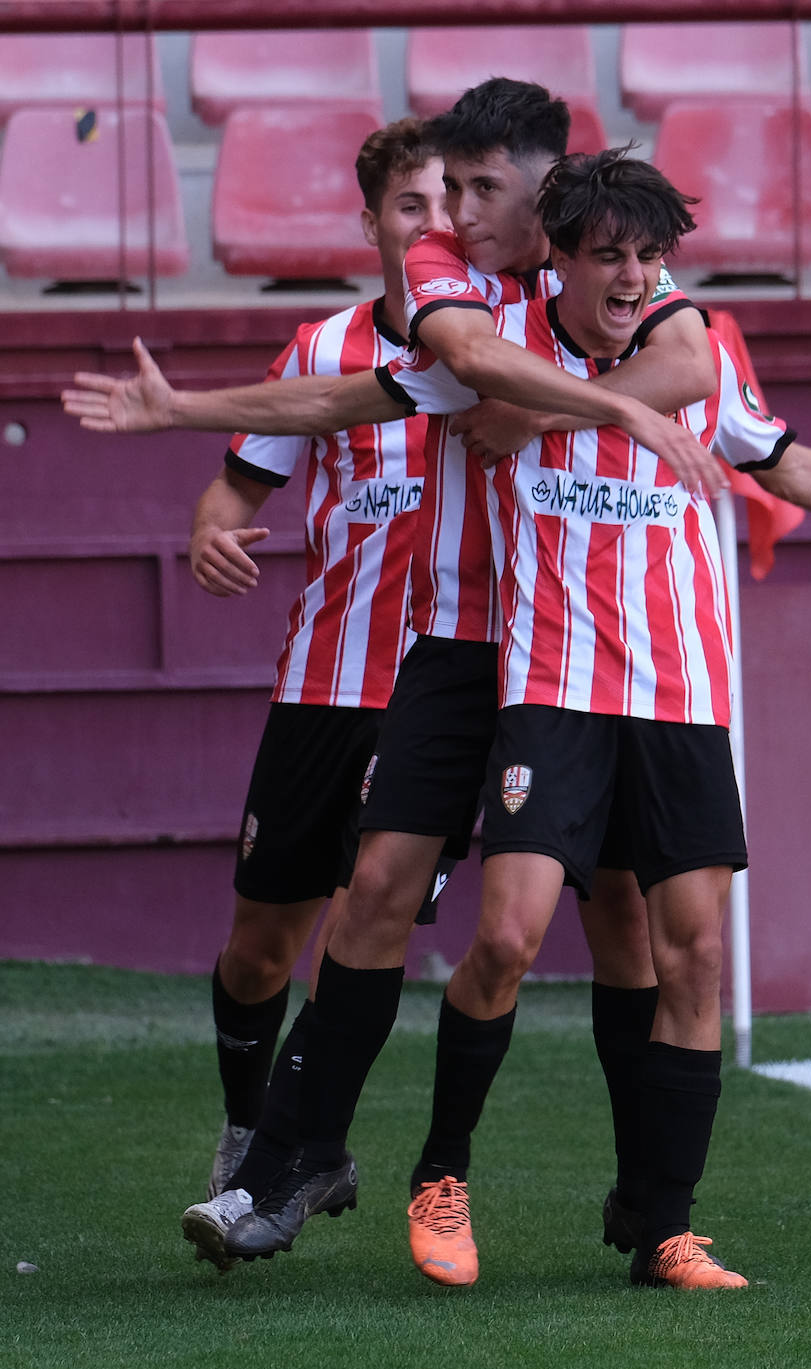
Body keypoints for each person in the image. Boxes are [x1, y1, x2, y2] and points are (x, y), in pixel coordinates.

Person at [346, 148, 811, 1292]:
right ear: (557, 257)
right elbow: (370, 391)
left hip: (681, 695)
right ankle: (441, 1173)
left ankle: (661, 1223)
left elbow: (785, 461)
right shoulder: (501, 354)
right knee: (508, 938)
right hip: (551, 685)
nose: (631, 276)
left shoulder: (690, 353)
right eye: (608, 255)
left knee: (695, 955)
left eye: (650, 257)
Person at [65, 82, 720, 1269]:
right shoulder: (443, 270)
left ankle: (649, 1209)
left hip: (582, 645)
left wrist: (548, 423)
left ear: (543, 190)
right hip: (463, 644)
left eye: (479, 190)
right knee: (373, 888)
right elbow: (397, 379)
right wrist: (186, 417)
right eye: (440, 189)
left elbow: (685, 359)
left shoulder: (611, 260)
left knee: (623, 916)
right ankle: (287, 1166)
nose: (452, 211)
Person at [177, 118, 451, 1268]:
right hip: (318, 687)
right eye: (408, 208)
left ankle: (296, 1157)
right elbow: (231, 492)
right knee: (258, 949)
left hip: (437, 695)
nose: (431, 228)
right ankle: (253, 1129)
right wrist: (210, 533)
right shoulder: (321, 348)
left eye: (450, 207)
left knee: (363, 927)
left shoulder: (500, 350)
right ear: (370, 223)